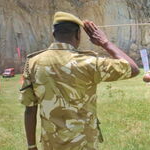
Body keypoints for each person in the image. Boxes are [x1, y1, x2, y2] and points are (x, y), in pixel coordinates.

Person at [19, 11, 139, 150]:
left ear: (54, 34)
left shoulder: (33, 63)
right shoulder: (89, 63)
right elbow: (133, 69)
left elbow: (30, 109)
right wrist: (104, 43)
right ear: (78, 35)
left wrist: (31, 146)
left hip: (51, 144)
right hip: (84, 143)